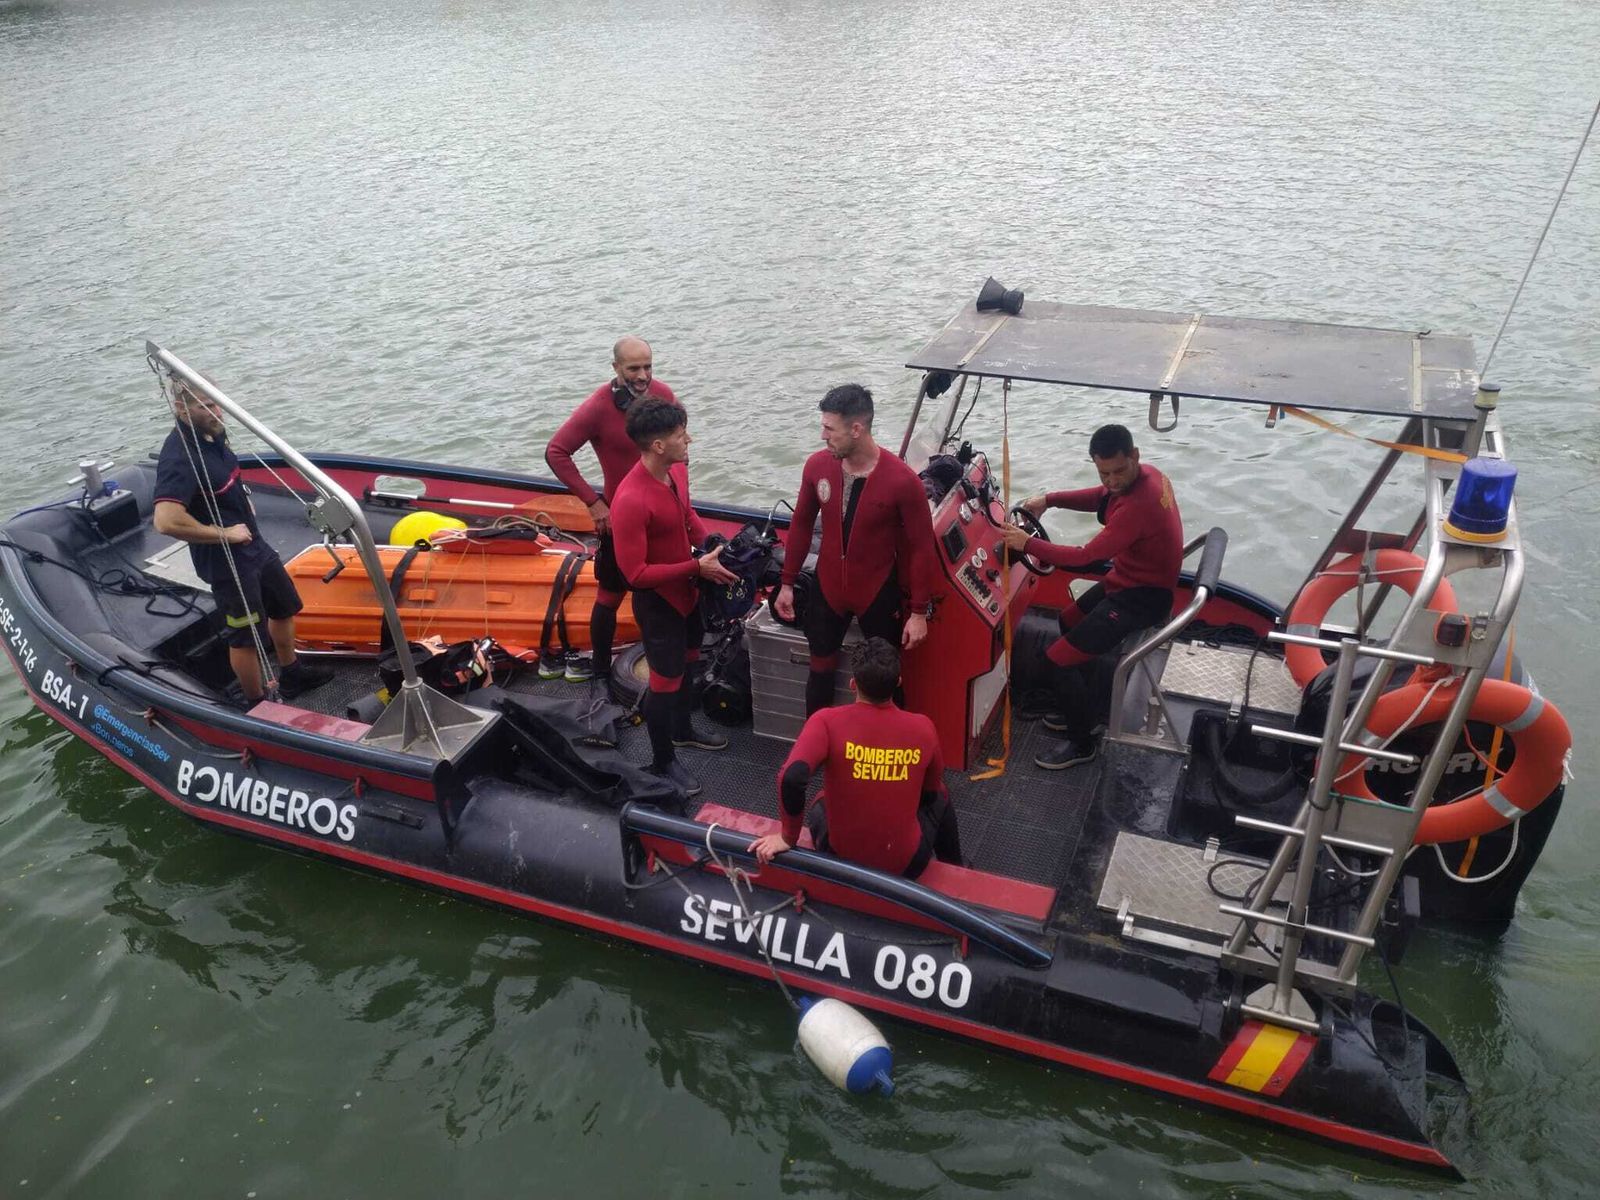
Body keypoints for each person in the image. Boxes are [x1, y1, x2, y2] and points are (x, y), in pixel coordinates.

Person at [999, 423, 1182, 769]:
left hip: (1142, 597)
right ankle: (1084, 710)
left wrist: (1027, 544)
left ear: (1135, 455)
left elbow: (1086, 557)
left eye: (1118, 471)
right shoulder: (1146, 475)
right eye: (1104, 473)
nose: (1112, 480)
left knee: (1057, 659)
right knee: (1067, 622)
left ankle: (1082, 744)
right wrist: (1049, 500)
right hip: (1127, 580)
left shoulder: (1137, 507)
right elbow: (1100, 496)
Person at [153, 381, 332, 707]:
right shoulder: (180, 456)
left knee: (284, 605)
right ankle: (257, 702)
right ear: (180, 409)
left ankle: (291, 673)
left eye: (217, 403)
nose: (215, 412)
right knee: (245, 637)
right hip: (227, 562)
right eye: (205, 406)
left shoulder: (212, 434)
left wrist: (242, 498)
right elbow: (166, 520)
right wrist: (224, 533)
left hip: (254, 544)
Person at [774, 383, 936, 716]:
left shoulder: (903, 481)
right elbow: (801, 523)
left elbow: (922, 547)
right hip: (828, 587)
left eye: (829, 428)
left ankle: (890, 743)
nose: (823, 435)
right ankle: (817, 739)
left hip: (877, 591)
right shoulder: (817, 466)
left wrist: (919, 612)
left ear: (857, 429)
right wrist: (787, 583)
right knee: (819, 669)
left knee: (885, 681)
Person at [747, 637, 961, 878]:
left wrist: (788, 837)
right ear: (898, 683)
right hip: (907, 866)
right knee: (941, 794)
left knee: (821, 801)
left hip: (840, 861)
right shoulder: (923, 727)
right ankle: (958, 872)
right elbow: (930, 792)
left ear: (853, 683)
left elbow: (792, 776)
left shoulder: (826, 721)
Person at [609, 398, 737, 797]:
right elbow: (635, 574)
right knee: (664, 682)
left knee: (689, 662)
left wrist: (713, 547)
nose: (689, 440)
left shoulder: (676, 471)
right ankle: (662, 759)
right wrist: (695, 567)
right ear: (658, 445)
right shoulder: (630, 500)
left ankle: (682, 730)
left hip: (688, 592)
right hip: (659, 603)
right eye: (682, 435)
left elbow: (687, 516)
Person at [544, 336, 678, 684]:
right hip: (620, 517)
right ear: (616, 367)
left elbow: (679, 452)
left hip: (661, 515)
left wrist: (681, 502)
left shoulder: (663, 395)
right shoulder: (598, 407)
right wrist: (594, 503)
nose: (643, 376)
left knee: (662, 590)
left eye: (648, 366)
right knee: (611, 595)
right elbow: (556, 452)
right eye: (633, 368)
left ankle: (665, 667)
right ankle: (602, 672)